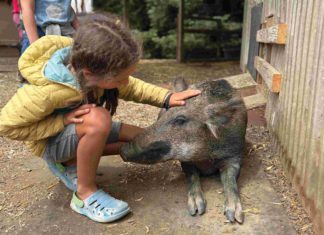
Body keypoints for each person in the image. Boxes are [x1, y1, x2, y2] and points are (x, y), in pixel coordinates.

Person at [0, 14, 201, 223]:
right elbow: (6, 126)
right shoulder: (47, 91)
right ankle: (84, 194)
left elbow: (133, 86)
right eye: (119, 79)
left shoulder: (88, 61)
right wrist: (60, 121)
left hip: (78, 128)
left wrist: (168, 97)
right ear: (88, 74)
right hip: (52, 144)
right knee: (99, 119)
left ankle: (75, 160)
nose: (125, 83)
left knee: (145, 138)